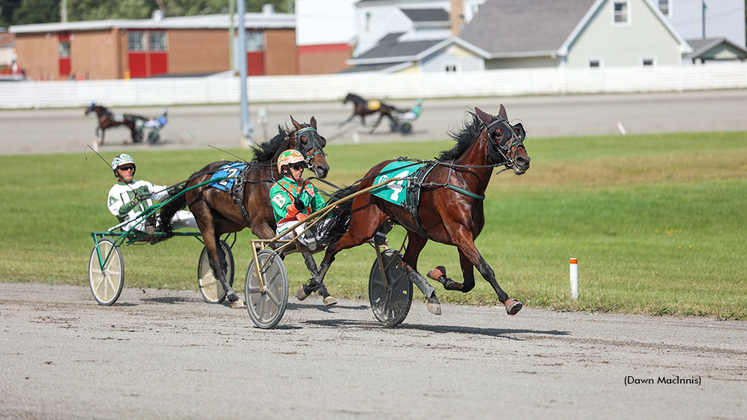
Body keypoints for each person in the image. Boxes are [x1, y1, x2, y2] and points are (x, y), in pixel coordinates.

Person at [107, 153, 197, 234]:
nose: (129, 170)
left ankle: (208, 225)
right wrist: (134, 202)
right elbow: (119, 211)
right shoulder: (115, 191)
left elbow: (159, 192)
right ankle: (149, 225)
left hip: (153, 221)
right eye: (124, 168)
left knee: (180, 215)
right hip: (131, 225)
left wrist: (174, 189)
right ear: (116, 171)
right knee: (136, 219)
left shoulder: (142, 184)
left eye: (131, 168)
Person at [269, 150, 326, 251]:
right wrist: (295, 207)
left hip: (308, 223)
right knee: (299, 226)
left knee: (329, 222)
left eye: (301, 167)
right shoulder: (277, 188)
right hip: (287, 227)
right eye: (296, 167)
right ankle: (310, 240)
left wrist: (335, 210)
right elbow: (285, 212)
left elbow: (320, 207)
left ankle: (312, 237)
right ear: (285, 169)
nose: (300, 170)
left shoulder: (308, 185)